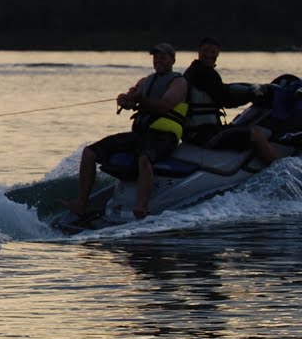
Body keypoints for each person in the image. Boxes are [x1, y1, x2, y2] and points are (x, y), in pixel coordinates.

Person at [67, 42, 188, 220]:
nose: (158, 60)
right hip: (140, 135)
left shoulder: (179, 82)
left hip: (164, 137)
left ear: (172, 60)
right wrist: (124, 99)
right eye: (156, 57)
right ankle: (81, 203)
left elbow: (165, 105)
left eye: (163, 57)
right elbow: (131, 100)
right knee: (89, 152)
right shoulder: (145, 81)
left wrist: (141, 99)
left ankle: (141, 208)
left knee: (144, 159)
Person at [180, 36, 257, 144]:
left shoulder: (192, 70)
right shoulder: (205, 73)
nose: (209, 55)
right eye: (205, 51)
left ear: (218, 54)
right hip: (204, 134)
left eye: (213, 52)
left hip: (192, 133)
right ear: (199, 51)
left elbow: (219, 89)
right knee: (256, 135)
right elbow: (226, 101)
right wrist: (252, 96)